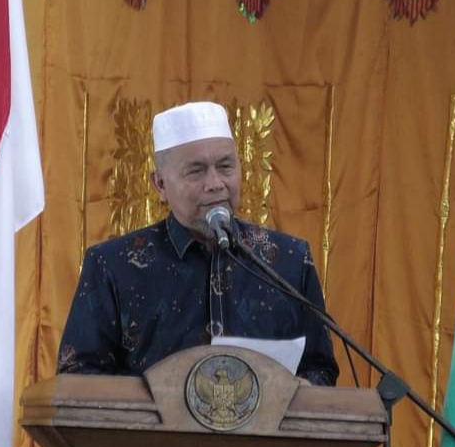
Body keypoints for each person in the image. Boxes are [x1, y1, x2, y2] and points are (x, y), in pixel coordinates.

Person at [57, 101, 339, 387]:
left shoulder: (289, 260)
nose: (215, 183)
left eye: (225, 167)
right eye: (196, 171)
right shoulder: (113, 265)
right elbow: (78, 374)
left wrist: (298, 391)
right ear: (160, 185)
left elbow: (321, 368)